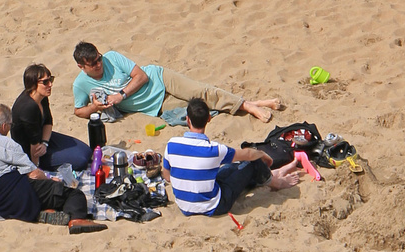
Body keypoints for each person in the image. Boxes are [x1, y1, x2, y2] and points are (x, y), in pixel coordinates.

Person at [0, 104, 106, 234]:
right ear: (4, 126)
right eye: (9, 126)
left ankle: (41, 212)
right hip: (16, 192)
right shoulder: (6, 143)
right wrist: (52, 179)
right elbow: (34, 173)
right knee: (73, 194)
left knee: (40, 194)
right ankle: (76, 219)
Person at [72, 42, 281, 123]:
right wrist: (94, 107)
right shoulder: (80, 84)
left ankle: (247, 106)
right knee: (200, 109)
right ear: (82, 66)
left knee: (203, 91)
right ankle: (257, 103)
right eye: (93, 64)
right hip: (156, 107)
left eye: (99, 59)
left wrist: (121, 95)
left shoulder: (112, 57)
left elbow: (141, 76)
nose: (99, 64)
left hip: (159, 79)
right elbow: (79, 111)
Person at [162, 98, 302, 217]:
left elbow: (167, 176)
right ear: (209, 119)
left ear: (187, 119)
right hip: (215, 206)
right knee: (251, 163)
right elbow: (248, 154)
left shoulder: (171, 144)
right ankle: (277, 182)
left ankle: (270, 176)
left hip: (184, 207)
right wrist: (262, 154)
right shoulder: (214, 149)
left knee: (232, 168)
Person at [11, 64, 91, 172]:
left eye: (51, 80)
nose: (50, 85)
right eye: (45, 82)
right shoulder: (28, 107)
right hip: (29, 150)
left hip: (42, 139)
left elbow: (48, 122)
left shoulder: (42, 97)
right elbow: (34, 146)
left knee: (87, 151)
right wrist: (36, 169)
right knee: (81, 161)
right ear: (33, 84)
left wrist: (45, 142)